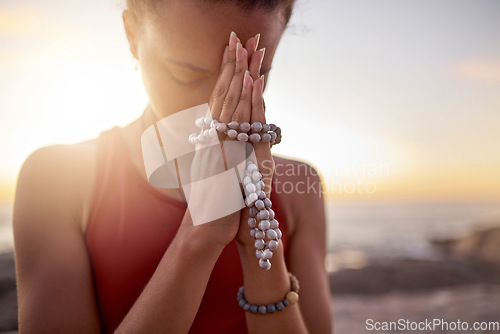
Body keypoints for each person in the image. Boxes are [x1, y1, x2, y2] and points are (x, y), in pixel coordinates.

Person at [13, 0, 332, 333]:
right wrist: (198, 238)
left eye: (253, 74)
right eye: (187, 75)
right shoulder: (57, 180)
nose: (216, 107)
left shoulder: (300, 185)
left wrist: (259, 246)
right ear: (133, 35)